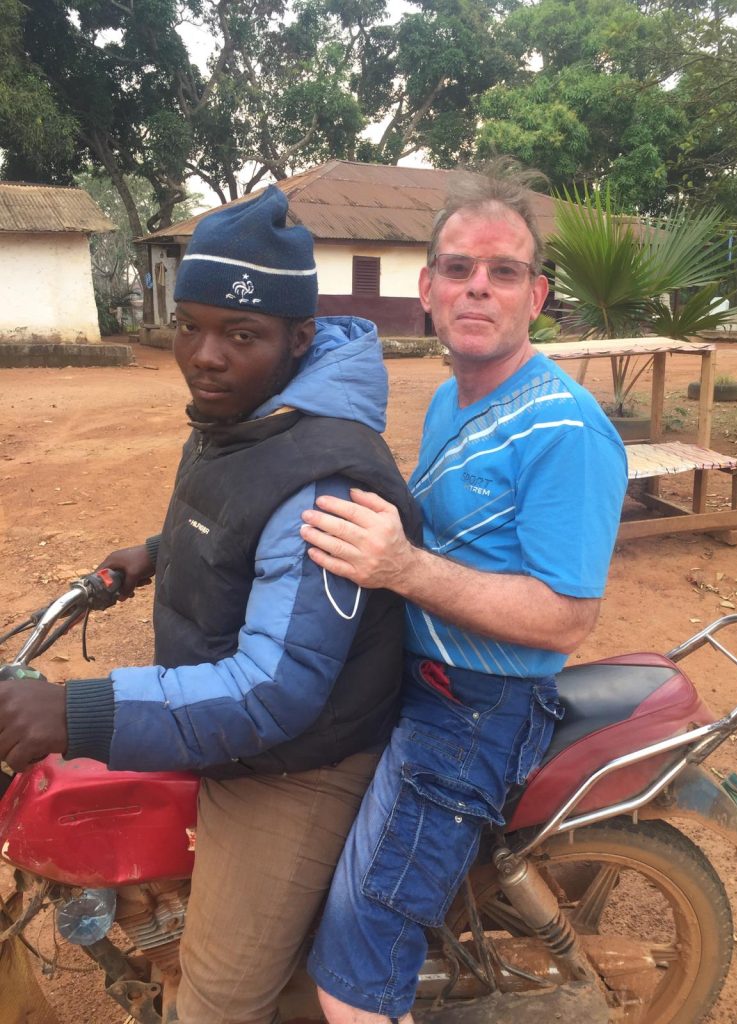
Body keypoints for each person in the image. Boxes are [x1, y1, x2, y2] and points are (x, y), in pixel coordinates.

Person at [0, 185, 419, 1024]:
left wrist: (70, 713)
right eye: (189, 325)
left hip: (302, 759)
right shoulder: (254, 416)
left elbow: (275, 688)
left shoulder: (325, 472)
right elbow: (241, 521)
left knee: (216, 1004)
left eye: (240, 334)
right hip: (250, 734)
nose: (205, 355)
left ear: (300, 337)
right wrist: (153, 555)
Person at [298, 168, 628, 1023]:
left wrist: (402, 569)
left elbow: (567, 617)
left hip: (474, 710)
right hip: (407, 674)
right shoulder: (452, 395)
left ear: (536, 296)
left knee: (351, 975)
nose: (477, 285)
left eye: (503, 271)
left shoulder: (567, 430)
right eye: (458, 267)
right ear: (429, 289)